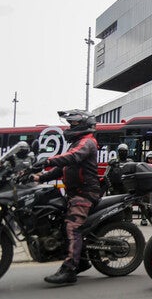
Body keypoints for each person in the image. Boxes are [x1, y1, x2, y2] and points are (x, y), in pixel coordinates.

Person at [34, 110, 101, 284]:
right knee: (59, 223)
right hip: (75, 193)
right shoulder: (77, 143)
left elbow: (72, 157)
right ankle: (82, 261)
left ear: (85, 125)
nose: (70, 127)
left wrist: (48, 160)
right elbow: (62, 169)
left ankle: (69, 269)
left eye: (74, 124)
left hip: (85, 193)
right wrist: (38, 178)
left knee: (72, 227)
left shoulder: (87, 142)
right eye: (70, 124)